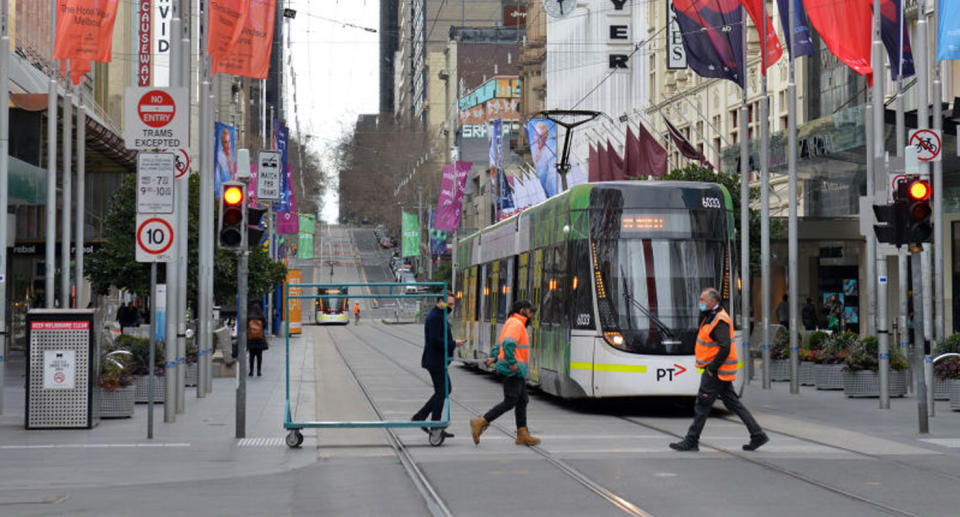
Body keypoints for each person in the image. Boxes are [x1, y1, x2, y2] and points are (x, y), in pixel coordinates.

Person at [670, 288, 768, 452]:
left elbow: (725, 347)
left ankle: (691, 441)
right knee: (733, 404)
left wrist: (711, 369)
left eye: (703, 299)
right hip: (718, 370)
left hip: (716, 370)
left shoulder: (720, 319)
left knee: (702, 405)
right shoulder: (711, 316)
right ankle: (757, 434)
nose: (700, 302)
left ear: (713, 301)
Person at [470, 300, 541, 447]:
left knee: (522, 400)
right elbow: (508, 345)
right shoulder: (516, 324)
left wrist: (494, 357)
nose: (532, 315)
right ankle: (481, 422)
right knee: (510, 401)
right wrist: (513, 363)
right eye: (531, 312)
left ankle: (522, 434)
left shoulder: (512, 322)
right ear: (523, 311)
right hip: (512, 370)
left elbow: (500, 344)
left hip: (516, 370)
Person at [412, 296, 464, 437]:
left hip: (437, 360)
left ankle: (424, 418)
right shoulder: (435, 317)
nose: (451, 307)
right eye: (449, 303)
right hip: (435, 360)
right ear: (440, 302)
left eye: (453, 304)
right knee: (443, 391)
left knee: (443, 390)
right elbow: (435, 340)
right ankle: (431, 423)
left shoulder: (438, 315)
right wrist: (454, 343)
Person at [247, 304, 268, 377]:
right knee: (259, 356)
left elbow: (246, 326)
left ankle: (251, 371)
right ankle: (259, 371)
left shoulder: (249, 317)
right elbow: (265, 326)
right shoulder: (261, 317)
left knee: (251, 356)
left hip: (251, 339)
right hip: (260, 339)